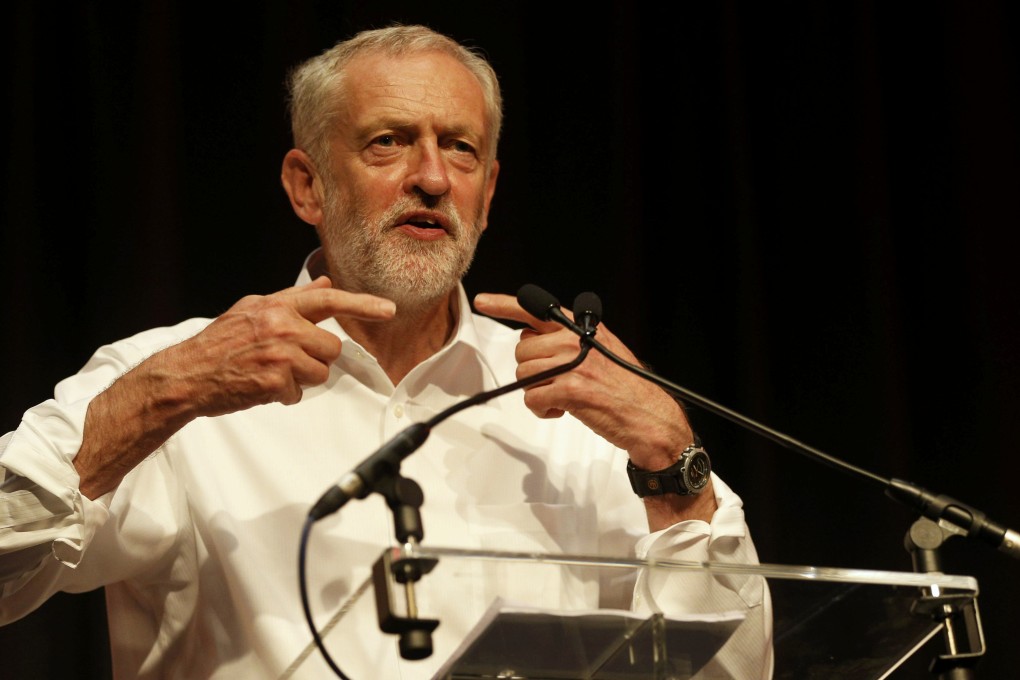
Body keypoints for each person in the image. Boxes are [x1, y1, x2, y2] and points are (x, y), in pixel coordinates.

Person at [0, 24, 773, 679]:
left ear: (488, 193)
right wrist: (160, 396)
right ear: (307, 186)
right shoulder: (179, 375)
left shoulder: (578, 398)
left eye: (460, 149)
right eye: (389, 142)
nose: (432, 178)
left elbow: (735, 669)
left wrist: (673, 465)